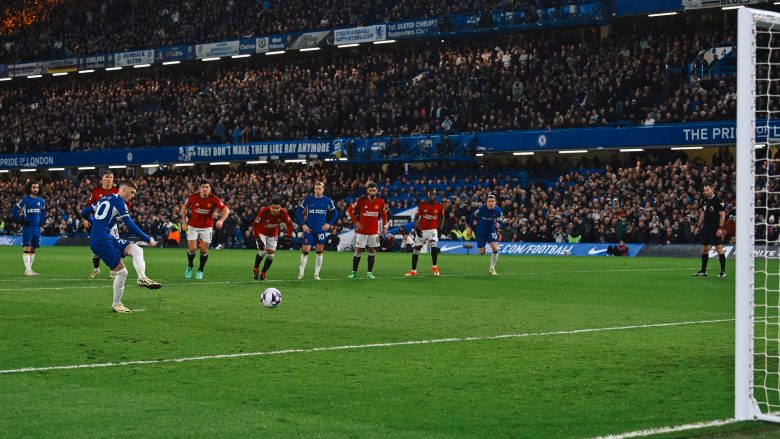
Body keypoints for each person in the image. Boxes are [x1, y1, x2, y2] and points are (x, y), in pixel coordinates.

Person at [80, 180, 161, 313]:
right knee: (122, 272)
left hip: (106, 237)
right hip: (101, 240)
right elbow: (130, 225)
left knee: (136, 249)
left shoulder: (105, 198)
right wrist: (148, 239)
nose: (133, 195)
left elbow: (84, 212)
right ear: (123, 190)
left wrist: (94, 223)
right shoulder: (119, 202)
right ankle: (116, 304)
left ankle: (142, 278)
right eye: (132, 192)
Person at [180, 180, 230, 280]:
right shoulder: (193, 197)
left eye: (207, 187)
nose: (205, 189)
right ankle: (190, 266)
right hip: (193, 226)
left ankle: (200, 270)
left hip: (207, 227)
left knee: (204, 250)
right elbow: (183, 207)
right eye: (203, 187)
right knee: (192, 248)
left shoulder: (214, 199)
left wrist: (221, 220)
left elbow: (226, 210)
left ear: (210, 188)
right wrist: (184, 222)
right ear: (200, 188)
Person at [295, 181, 339, 280]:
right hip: (309, 230)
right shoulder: (308, 200)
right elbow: (298, 211)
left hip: (321, 230)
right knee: (305, 251)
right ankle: (301, 274)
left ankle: (316, 274)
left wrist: (329, 224)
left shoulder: (327, 200)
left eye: (320, 188)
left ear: (323, 189)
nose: (318, 190)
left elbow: (335, 213)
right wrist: (303, 225)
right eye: (316, 188)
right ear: (314, 189)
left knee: (319, 251)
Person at [347, 182, 388, 279]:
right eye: (370, 190)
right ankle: (354, 272)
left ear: (377, 191)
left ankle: (369, 273)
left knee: (372, 250)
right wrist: (356, 222)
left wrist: (385, 226)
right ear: (367, 191)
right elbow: (349, 210)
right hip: (362, 232)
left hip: (374, 232)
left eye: (374, 190)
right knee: (358, 250)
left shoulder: (380, 202)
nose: (372, 192)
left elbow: (384, 214)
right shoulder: (361, 201)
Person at [84, 171, 119, 279]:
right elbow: (88, 206)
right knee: (96, 248)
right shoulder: (96, 192)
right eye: (107, 177)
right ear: (102, 180)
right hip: (98, 224)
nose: (109, 179)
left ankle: (113, 270)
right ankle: (96, 269)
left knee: (115, 246)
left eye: (111, 177)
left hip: (112, 224)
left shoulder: (116, 192)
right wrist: (86, 219)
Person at [250, 199, 293, 281]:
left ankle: (263, 273)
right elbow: (255, 225)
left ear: (280, 208)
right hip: (261, 232)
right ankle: (256, 268)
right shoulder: (264, 211)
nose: (275, 210)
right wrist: (258, 239)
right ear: (270, 207)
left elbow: (289, 224)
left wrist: (288, 236)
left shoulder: (283, 213)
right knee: (262, 251)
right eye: (273, 208)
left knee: (270, 256)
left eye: (277, 208)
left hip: (273, 234)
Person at [406, 188, 445, 277]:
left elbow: (442, 217)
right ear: (428, 195)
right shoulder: (422, 205)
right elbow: (416, 219)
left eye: (434, 195)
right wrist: (417, 229)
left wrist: (440, 228)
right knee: (416, 250)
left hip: (433, 230)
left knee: (434, 246)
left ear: (435, 196)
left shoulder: (439, 206)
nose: (432, 196)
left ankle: (434, 267)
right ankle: (413, 270)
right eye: (430, 194)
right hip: (422, 230)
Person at [12, 181, 46, 276]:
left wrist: (42, 222)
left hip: (36, 228)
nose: (35, 189)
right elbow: (14, 210)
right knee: (27, 248)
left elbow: (43, 212)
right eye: (34, 187)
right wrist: (20, 220)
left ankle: (29, 269)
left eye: (37, 187)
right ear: (30, 188)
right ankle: (27, 269)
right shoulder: (25, 200)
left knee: (34, 248)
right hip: (27, 228)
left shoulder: (41, 201)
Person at [693, 184, 727, 278]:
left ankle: (723, 272)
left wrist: (720, 228)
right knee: (704, 249)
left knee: (719, 248)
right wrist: (698, 226)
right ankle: (703, 271)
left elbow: (722, 215)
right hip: (706, 227)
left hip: (715, 227)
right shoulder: (704, 201)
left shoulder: (718, 201)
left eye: (707, 190)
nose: (706, 192)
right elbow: (703, 214)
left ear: (712, 189)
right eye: (704, 190)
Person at [468, 194, 503, 275]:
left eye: (492, 201)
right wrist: (469, 227)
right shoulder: (482, 209)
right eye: (489, 201)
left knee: (495, 249)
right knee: (482, 253)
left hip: (491, 230)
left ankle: (492, 269)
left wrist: (499, 226)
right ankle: (482, 248)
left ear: (495, 202)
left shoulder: (498, 211)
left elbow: (501, 221)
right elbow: (472, 216)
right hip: (480, 231)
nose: (491, 203)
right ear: (486, 202)